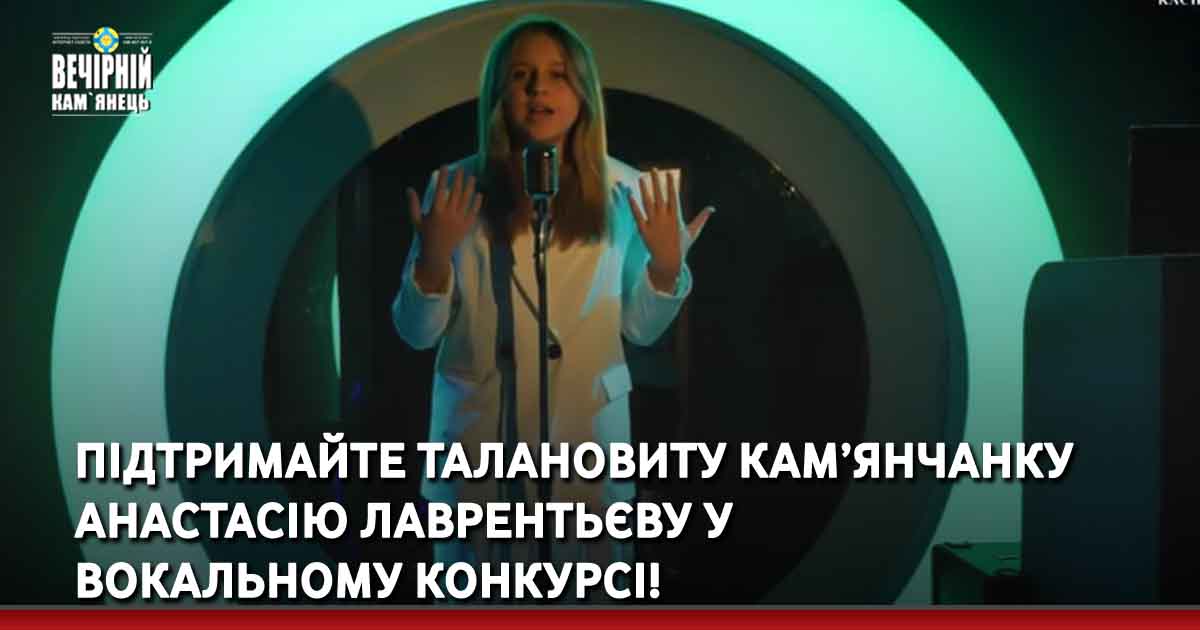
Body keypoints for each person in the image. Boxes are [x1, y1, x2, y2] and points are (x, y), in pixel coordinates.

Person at [391, 14, 713, 589]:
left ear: (583, 92)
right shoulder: (456, 187)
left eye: (557, 74)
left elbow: (640, 329)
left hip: (586, 449)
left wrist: (666, 267)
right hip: (480, 457)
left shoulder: (628, 191)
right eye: (521, 75)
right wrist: (433, 259)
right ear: (499, 92)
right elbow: (416, 333)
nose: (538, 88)